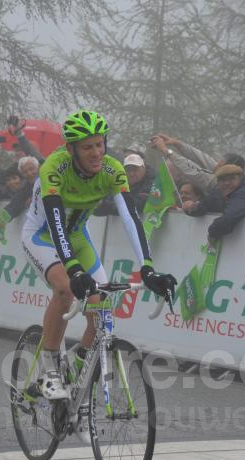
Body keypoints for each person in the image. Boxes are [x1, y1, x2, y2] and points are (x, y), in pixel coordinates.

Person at [21, 110, 176, 404]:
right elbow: (55, 222)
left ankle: (77, 368)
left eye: (100, 144)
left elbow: (131, 217)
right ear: (71, 149)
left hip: (78, 238)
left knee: (101, 307)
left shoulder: (111, 170)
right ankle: (51, 372)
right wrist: (74, 269)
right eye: (87, 147)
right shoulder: (54, 167)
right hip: (42, 236)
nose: (96, 153)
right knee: (66, 289)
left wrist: (148, 268)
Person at [184, 163, 245, 240]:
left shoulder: (244, 195)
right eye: (223, 180)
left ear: (240, 179)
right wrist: (193, 208)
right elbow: (204, 206)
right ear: (218, 182)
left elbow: (228, 219)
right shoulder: (217, 193)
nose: (227, 183)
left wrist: (212, 234)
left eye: (232, 178)